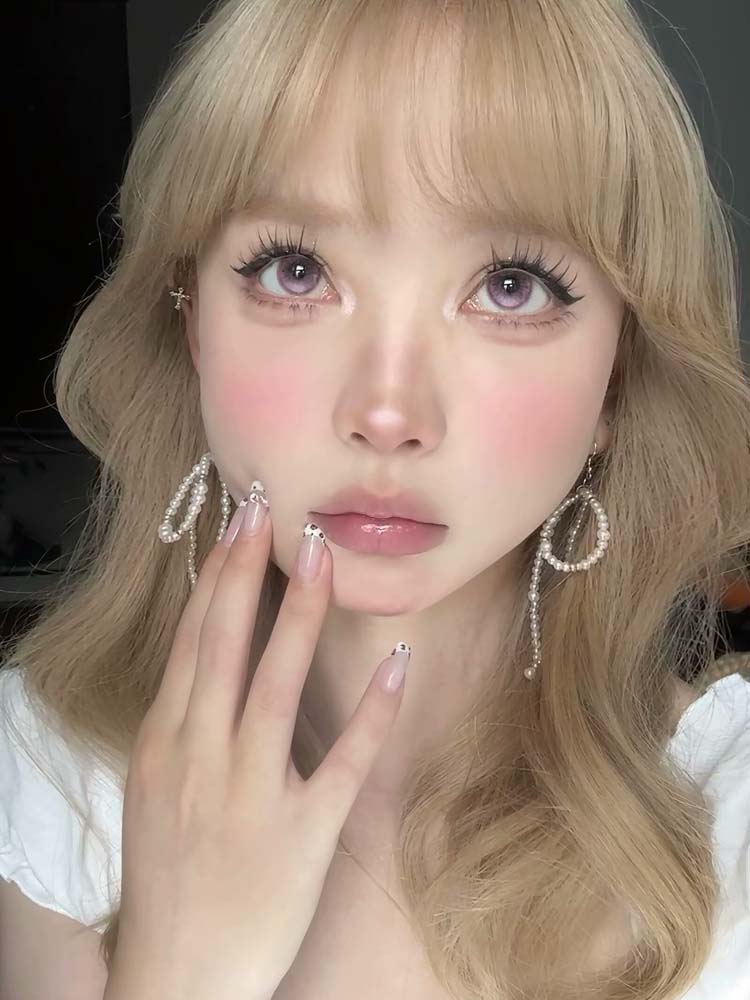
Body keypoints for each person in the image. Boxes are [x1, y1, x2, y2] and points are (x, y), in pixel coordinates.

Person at [1, 0, 749, 998]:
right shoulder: (52, 776)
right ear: (191, 325)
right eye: (295, 270)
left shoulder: (730, 821)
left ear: (617, 375)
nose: (388, 413)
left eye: (511, 286)